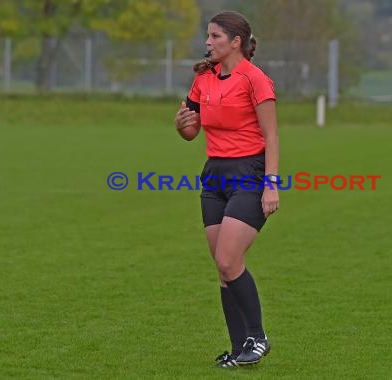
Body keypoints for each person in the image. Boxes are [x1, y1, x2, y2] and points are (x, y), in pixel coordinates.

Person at [174, 11, 280, 368]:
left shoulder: (255, 79)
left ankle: (258, 337)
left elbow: (272, 136)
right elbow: (191, 132)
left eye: (215, 36)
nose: (208, 42)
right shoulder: (204, 79)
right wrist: (181, 126)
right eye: (208, 36)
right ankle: (239, 349)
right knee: (224, 268)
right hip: (214, 176)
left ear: (236, 41)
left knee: (228, 259)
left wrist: (271, 185)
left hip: (249, 174)